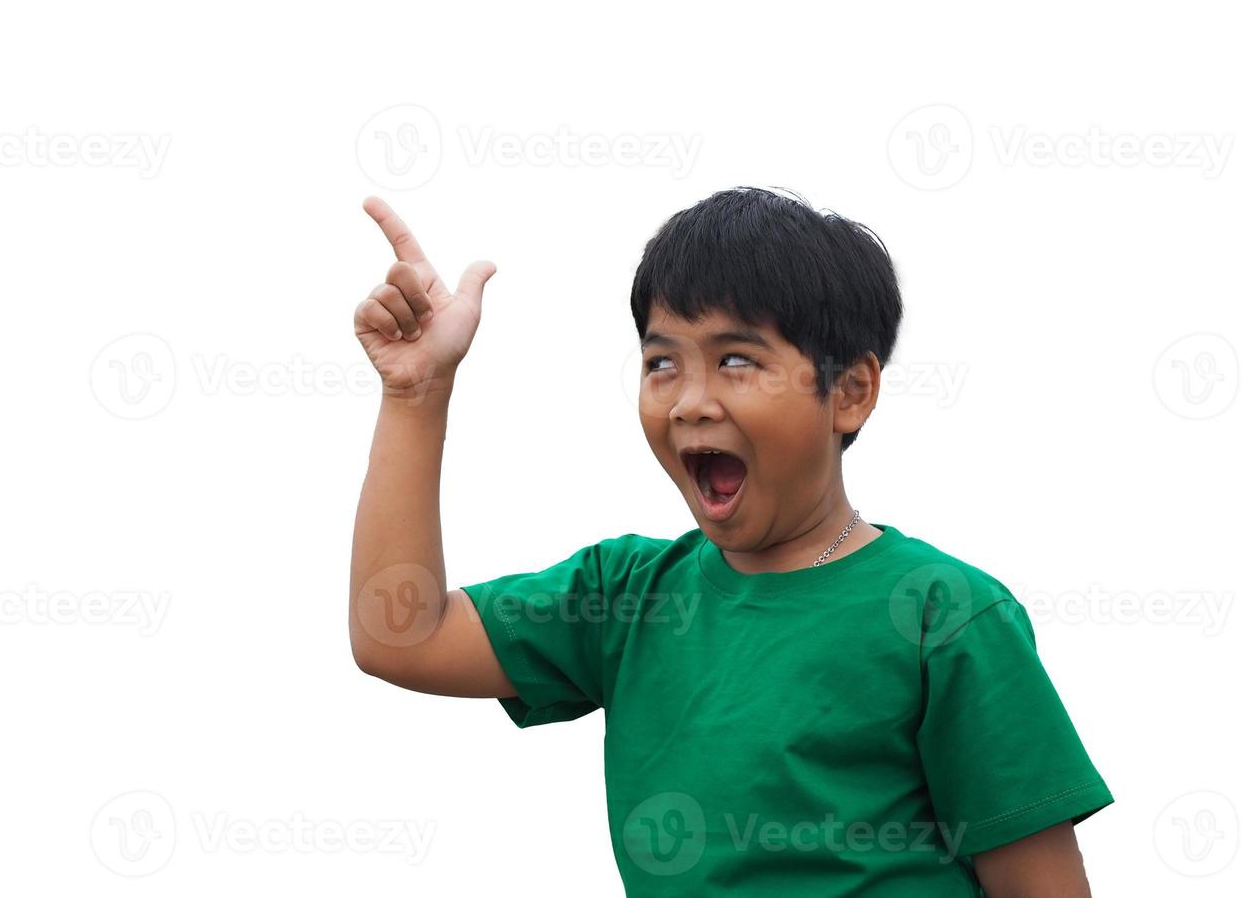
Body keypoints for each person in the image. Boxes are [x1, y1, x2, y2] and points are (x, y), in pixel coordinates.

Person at [348, 188, 1111, 896]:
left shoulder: (943, 614)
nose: (689, 401)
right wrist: (416, 396)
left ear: (849, 392)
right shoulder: (628, 596)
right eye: (660, 363)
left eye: (736, 360)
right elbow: (401, 638)